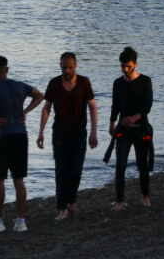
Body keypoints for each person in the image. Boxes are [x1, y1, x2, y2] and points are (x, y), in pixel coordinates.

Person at [0, 55, 43, 233]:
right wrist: (25, 110)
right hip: (20, 135)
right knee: (19, 180)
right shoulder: (20, 85)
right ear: (7, 69)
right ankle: (21, 221)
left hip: (3, 136)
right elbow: (40, 95)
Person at [37, 51, 99, 221]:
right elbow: (46, 107)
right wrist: (41, 131)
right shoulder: (54, 83)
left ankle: (72, 201)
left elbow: (92, 107)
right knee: (61, 170)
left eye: (70, 67)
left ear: (75, 66)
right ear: (60, 66)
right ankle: (61, 207)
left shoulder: (84, 82)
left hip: (79, 133)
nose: (66, 71)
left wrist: (94, 132)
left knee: (76, 169)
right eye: (64, 67)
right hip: (59, 133)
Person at [108, 46, 153, 209]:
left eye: (127, 66)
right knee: (120, 164)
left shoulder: (145, 81)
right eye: (122, 66)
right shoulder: (118, 83)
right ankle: (120, 200)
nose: (125, 69)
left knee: (143, 164)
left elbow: (147, 105)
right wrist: (112, 122)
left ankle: (145, 195)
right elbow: (115, 105)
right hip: (123, 130)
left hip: (141, 128)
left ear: (135, 64)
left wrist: (135, 116)